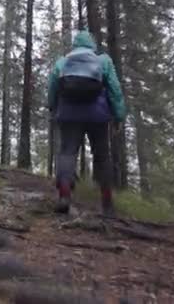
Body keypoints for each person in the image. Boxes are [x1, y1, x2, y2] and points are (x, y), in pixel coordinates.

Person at [47, 30, 127, 216]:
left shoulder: (62, 62)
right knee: (102, 156)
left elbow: (52, 87)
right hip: (97, 116)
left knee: (67, 153)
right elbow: (115, 90)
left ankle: (64, 196)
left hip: (68, 115)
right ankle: (107, 202)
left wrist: (52, 107)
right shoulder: (103, 61)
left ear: (75, 45)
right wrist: (119, 116)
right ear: (92, 45)